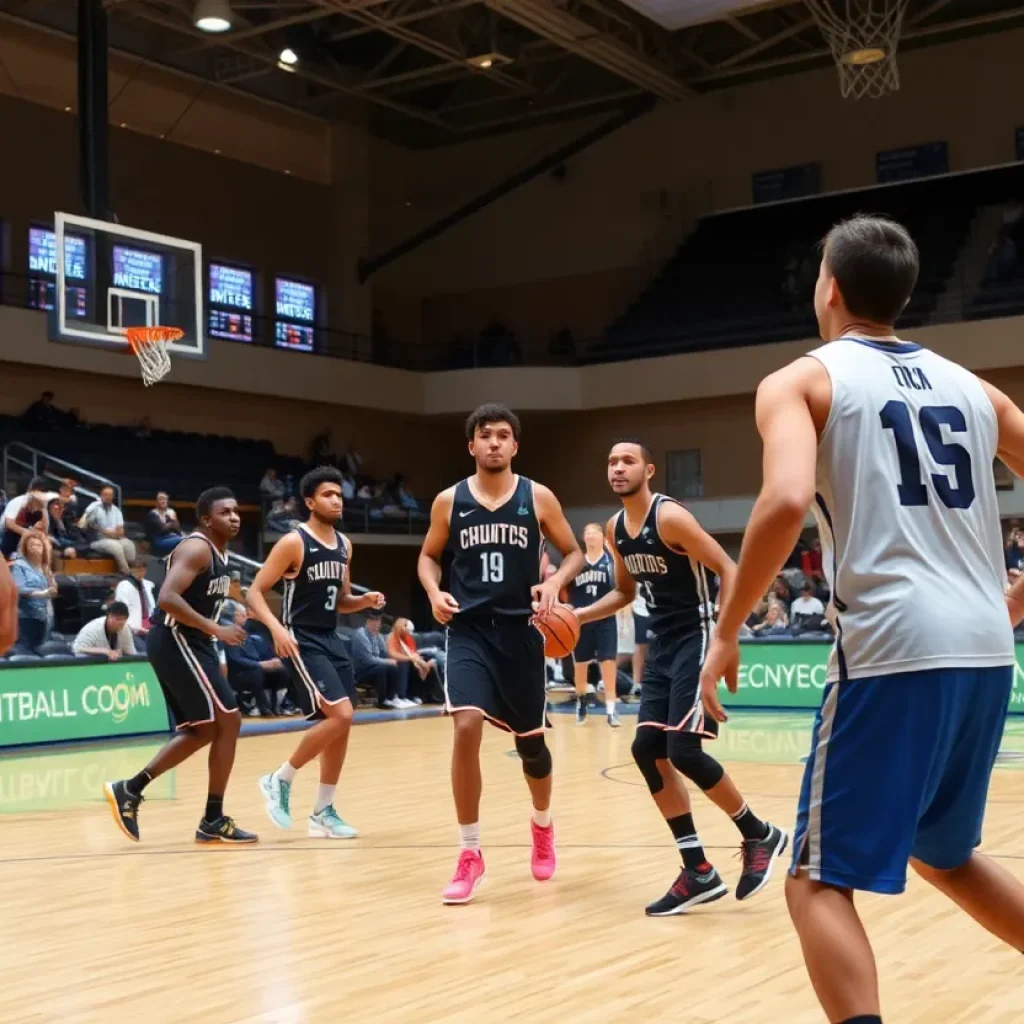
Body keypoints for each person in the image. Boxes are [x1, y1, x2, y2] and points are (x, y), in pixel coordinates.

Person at [700, 214, 1024, 1024]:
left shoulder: (802, 380)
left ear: (830, 288)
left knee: (813, 882)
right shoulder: (974, 388)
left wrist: (730, 625)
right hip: (986, 647)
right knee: (945, 853)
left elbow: (782, 501)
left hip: (892, 646)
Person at [575, 440, 786, 916]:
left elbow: (729, 569)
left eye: (627, 461)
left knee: (684, 749)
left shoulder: (669, 518)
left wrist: (726, 639)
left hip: (697, 635)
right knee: (646, 750)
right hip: (664, 643)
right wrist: (579, 615)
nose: (618, 468)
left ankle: (759, 833)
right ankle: (698, 871)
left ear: (649, 470)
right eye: (610, 462)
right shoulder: (614, 529)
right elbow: (625, 592)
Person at [417, 403, 584, 905]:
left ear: (515, 446)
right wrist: (433, 591)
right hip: (468, 630)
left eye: (503, 435)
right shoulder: (449, 501)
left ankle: (542, 825)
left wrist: (554, 579)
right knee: (465, 725)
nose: (494, 442)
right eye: (485, 435)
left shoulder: (538, 497)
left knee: (532, 747)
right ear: (471, 446)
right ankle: (470, 854)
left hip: (523, 633)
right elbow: (428, 556)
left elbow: (573, 552)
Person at [103, 487, 257, 846]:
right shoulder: (197, 546)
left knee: (204, 729)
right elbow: (168, 598)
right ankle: (213, 818)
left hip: (194, 642)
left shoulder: (220, 553)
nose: (234, 516)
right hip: (177, 640)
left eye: (236, 511)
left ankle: (131, 788)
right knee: (230, 719)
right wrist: (216, 628)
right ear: (206, 519)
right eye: (225, 512)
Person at [248, 466, 385, 840]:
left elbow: (340, 601)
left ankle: (323, 811)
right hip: (300, 636)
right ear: (310, 502)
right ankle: (279, 779)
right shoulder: (294, 542)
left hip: (330, 636)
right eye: (328, 495)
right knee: (339, 714)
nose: (337, 500)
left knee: (343, 724)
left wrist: (365, 601)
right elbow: (254, 592)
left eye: (339, 495)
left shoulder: (344, 544)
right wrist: (276, 629)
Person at [565, 522, 620, 727]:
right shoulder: (578, 563)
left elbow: (620, 587)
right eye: (587, 533)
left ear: (602, 538)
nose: (590, 536)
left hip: (605, 619)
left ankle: (611, 710)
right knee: (580, 665)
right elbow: (565, 588)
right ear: (584, 538)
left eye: (594, 533)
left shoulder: (611, 561)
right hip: (581, 620)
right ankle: (581, 702)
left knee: (609, 663)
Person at [222, 603, 290, 717]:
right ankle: (262, 707)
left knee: (282, 671)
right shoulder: (229, 633)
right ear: (234, 616)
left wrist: (272, 662)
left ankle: (277, 705)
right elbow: (235, 659)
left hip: (254, 667)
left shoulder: (246, 633)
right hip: (238, 673)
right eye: (242, 615)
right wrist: (260, 665)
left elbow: (256, 655)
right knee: (256, 672)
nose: (246, 618)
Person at [352, 612, 413, 709]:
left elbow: (385, 652)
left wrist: (397, 657)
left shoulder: (377, 635)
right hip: (362, 671)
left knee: (394, 666)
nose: (378, 623)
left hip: (375, 667)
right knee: (383, 667)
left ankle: (392, 698)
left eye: (379, 620)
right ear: (368, 621)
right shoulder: (361, 634)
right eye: (375, 620)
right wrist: (387, 662)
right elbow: (368, 660)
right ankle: (382, 701)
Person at [11, 532, 55, 653]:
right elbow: (20, 589)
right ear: (26, 547)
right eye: (32, 545)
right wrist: (42, 593)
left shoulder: (45, 567)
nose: (35, 548)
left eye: (38, 545)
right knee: (25, 651)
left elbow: (53, 591)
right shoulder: (19, 565)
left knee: (42, 649)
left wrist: (51, 583)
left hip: (44, 616)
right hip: (26, 616)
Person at [79, 485, 135, 573]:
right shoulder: (94, 507)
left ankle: (123, 570)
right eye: (105, 495)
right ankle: (126, 572)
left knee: (130, 546)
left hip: (115, 537)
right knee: (116, 546)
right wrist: (105, 531)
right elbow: (83, 524)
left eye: (110, 495)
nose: (108, 497)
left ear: (112, 497)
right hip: (97, 540)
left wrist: (111, 533)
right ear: (101, 495)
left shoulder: (116, 510)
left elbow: (120, 530)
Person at [388, 616, 442, 705]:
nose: (409, 634)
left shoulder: (409, 638)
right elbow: (393, 654)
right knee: (406, 664)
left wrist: (421, 662)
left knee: (426, 664)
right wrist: (411, 658)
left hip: (410, 660)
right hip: (396, 661)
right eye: (408, 631)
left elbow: (413, 652)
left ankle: (416, 696)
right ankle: (401, 696)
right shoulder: (392, 637)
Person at [115, 558, 158, 653]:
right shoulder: (123, 586)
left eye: (142, 570)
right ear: (131, 570)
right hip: (132, 628)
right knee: (143, 652)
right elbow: (123, 610)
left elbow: (152, 606)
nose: (140, 573)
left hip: (150, 626)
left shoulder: (149, 585)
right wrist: (134, 627)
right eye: (137, 570)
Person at [145, 491, 184, 556]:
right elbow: (162, 529)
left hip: (171, 537)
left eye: (165, 499)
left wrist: (174, 520)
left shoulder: (170, 511)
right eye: (160, 499)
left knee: (187, 539)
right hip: (159, 541)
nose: (163, 501)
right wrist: (172, 522)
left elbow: (178, 530)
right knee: (181, 540)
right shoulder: (153, 514)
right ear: (156, 502)